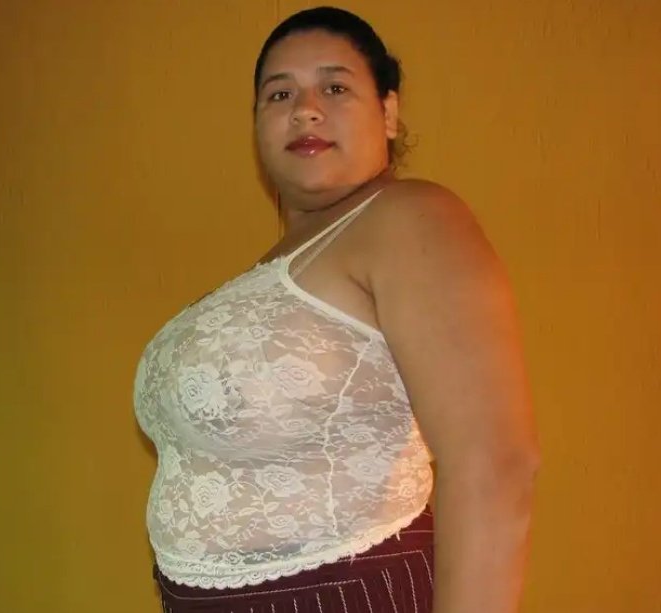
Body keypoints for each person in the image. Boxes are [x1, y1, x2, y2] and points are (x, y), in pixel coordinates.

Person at [134, 6, 539, 612]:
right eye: (279, 94)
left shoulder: (410, 218)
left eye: (335, 87)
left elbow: (495, 465)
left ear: (389, 113)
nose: (305, 110)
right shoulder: (282, 263)